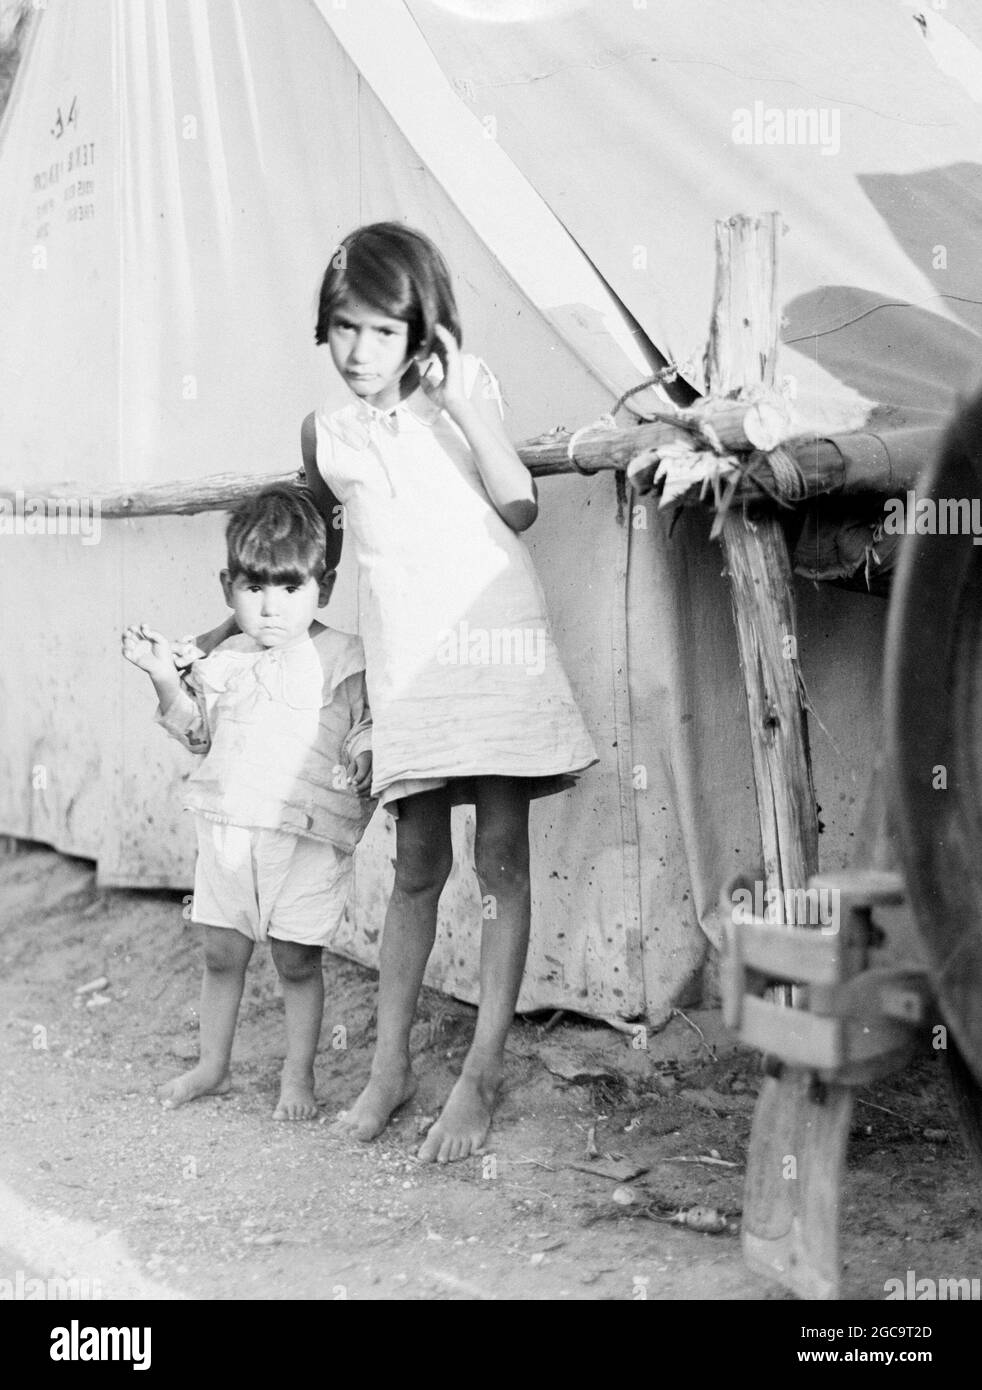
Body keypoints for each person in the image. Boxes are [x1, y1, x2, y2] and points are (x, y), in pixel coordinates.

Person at [300, 222, 598, 1162]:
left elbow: (520, 504)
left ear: (425, 330)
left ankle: (480, 1074)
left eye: (382, 332)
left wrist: (465, 404)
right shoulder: (327, 437)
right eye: (344, 328)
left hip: (493, 647)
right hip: (406, 672)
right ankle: (389, 1070)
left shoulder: (466, 395)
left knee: (501, 857)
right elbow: (318, 557)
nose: (358, 351)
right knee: (416, 864)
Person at [121, 486, 374, 1121]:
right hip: (229, 830)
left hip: (305, 837)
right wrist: (160, 674)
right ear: (227, 586)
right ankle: (214, 1066)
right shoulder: (223, 660)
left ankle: (299, 1073)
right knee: (220, 951)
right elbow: (197, 735)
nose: (269, 609)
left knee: (295, 959)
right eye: (253, 589)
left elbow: (369, 722)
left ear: (325, 584)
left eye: (290, 589)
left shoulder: (342, 657)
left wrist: (366, 750)